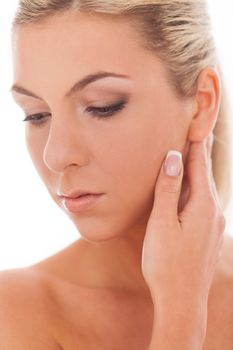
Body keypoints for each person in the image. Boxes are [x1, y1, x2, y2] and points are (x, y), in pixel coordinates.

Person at [1, 0, 233, 348]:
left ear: (201, 103)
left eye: (102, 107)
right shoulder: (15, 314)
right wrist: (180, 310)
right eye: (36, 115)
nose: (56, 155)